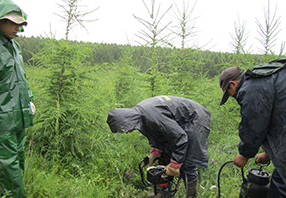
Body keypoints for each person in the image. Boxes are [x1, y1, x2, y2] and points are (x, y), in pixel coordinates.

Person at [107, 95, 211, 198]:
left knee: (189, 162)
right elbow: (161, 135)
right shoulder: (141, 115)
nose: (126, 132)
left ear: (126, 121)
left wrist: (175, 165)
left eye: (123, 129)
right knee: (164, 157)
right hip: (180, 122)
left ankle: (191, 195)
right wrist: (154, 153)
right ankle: (164, 194)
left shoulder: (151, 117)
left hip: (195, 118)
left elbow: (180, 138)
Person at [0, 0, 35, 197]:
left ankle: (12, 192)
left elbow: (21, 78)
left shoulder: (15, 47)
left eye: (19, 24)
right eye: (13, 23)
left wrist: (28, 99)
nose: (17, 28)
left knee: (19, 157)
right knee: (8, 163)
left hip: (19, 115)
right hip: (1, 116)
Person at [219, 58, 286, 197]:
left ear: (233, 83)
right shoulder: (271, 77)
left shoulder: (252, 85)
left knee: (280, 187)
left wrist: (245, 153)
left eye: (229, 93)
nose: (233, 97)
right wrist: (269, 153)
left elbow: (254, 123)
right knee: (279, 179)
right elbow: (277, 120)